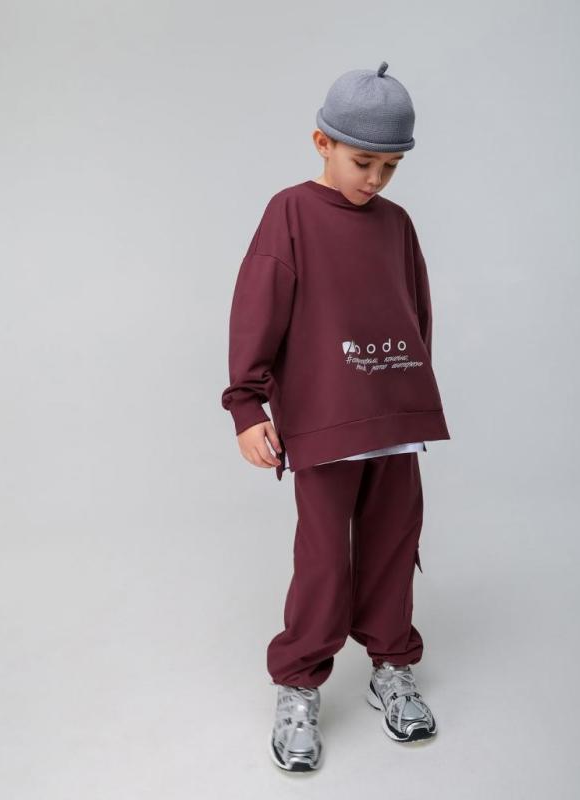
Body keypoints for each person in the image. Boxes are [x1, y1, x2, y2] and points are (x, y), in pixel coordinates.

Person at [221, 60, 451, 772]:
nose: (376, 180)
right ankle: (298, 682)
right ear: (322, 142)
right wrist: (248, 404)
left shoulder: (396, 225)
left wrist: (413, 394)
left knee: (392, 546)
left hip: (395, 417)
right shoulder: (290, 212)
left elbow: (415, 312)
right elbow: (258, 306)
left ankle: (391, 666)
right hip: (325, 421)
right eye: (363, 162)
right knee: (324, 559)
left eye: (391, 166)